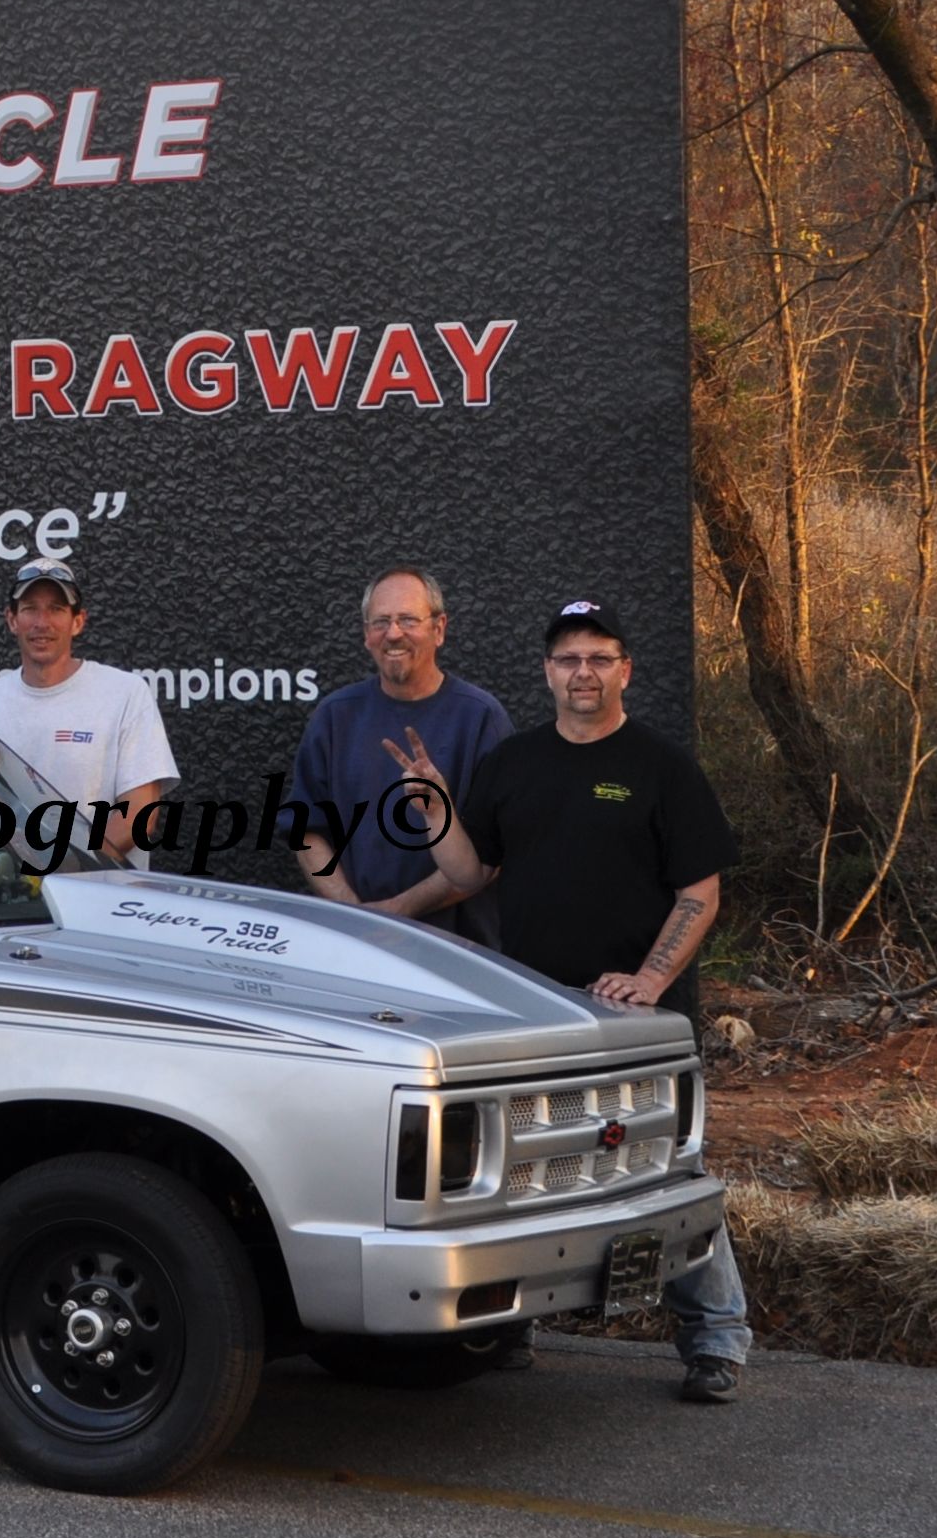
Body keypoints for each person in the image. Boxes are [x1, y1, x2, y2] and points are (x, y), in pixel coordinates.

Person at [391, 599, 751, 1403]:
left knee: (662, 1169)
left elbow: (700, 889)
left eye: (597, 658)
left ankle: (716, 1337)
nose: (581, 672)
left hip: (631, 1020)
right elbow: (469, 873)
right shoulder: (513, 762)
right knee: (527, 1169)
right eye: (566, 659)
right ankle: (511, 1327)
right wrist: (436, 809)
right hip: (531, 1014)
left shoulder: (661, 767)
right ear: (547, 672)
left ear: (624, 670)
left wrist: (649, 979)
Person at [290, 567, 511, 940]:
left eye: (408, 620)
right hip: (357, 945)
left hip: (457, 950)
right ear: (366, 634)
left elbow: (494, 853)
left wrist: (399, 910)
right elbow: (306, 832)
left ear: (439, 629)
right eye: (381, 622)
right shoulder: (335, 716)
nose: (393, 634)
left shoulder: (481, 719)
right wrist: (354, 912)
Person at [0, 558, 176, 863]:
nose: (42, 623)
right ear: (12, 620)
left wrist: (67, 872)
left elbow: (139, 814)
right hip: (10, 890)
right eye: (30, 608)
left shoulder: (126, 694)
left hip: (99, 890)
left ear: (78, 621)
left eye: (56, 609)